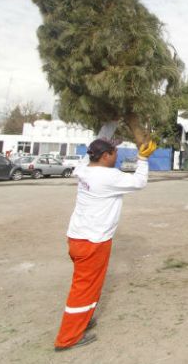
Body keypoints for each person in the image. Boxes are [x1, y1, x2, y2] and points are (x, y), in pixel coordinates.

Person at [53, 137, 157, 351]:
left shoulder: (83, 169)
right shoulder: (108, 177)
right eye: (114, 153)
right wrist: (143, 158)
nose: (117, 156)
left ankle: (82, 320)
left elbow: (90, 152)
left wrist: (107, 132)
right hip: (93, 241)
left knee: (89, 287)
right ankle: (68, 338)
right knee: (83, 289)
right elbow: (139, 182)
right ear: (105, 156)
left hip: (77, 237)